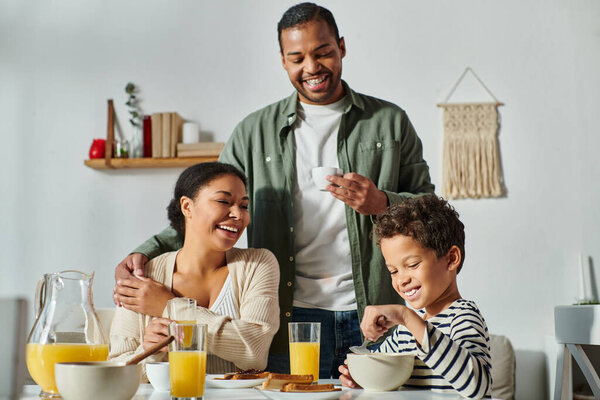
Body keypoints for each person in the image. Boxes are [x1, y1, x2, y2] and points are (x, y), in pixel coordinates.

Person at [113, 2, 434, 378]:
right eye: (296, 57)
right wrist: (145, 251)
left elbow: (431, 212)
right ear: (282, 61)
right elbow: (204, 210)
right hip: (286, 318)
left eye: (323, 52)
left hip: (375, 313)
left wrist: (382, 202)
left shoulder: (389, 122)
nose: (311, 67)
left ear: (341, 47)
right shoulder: (253, 133)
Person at [108, 162, 280, 378]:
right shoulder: (144, 278)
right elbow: (116, 371)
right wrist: (150, 352)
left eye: (244, 206)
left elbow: (255, 352)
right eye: (223, 201)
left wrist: (168, 306)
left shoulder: (258, 264)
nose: (238, 214)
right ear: (187, 207)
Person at [338, 195, 492, 399]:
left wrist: (407, 316)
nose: (401, 280)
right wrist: (359, 376)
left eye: (412, 265)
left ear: (451, 259)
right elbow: (377, 368)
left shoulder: (462, 317)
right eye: (393, 271)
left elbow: (477, 386)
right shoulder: (404, 332)